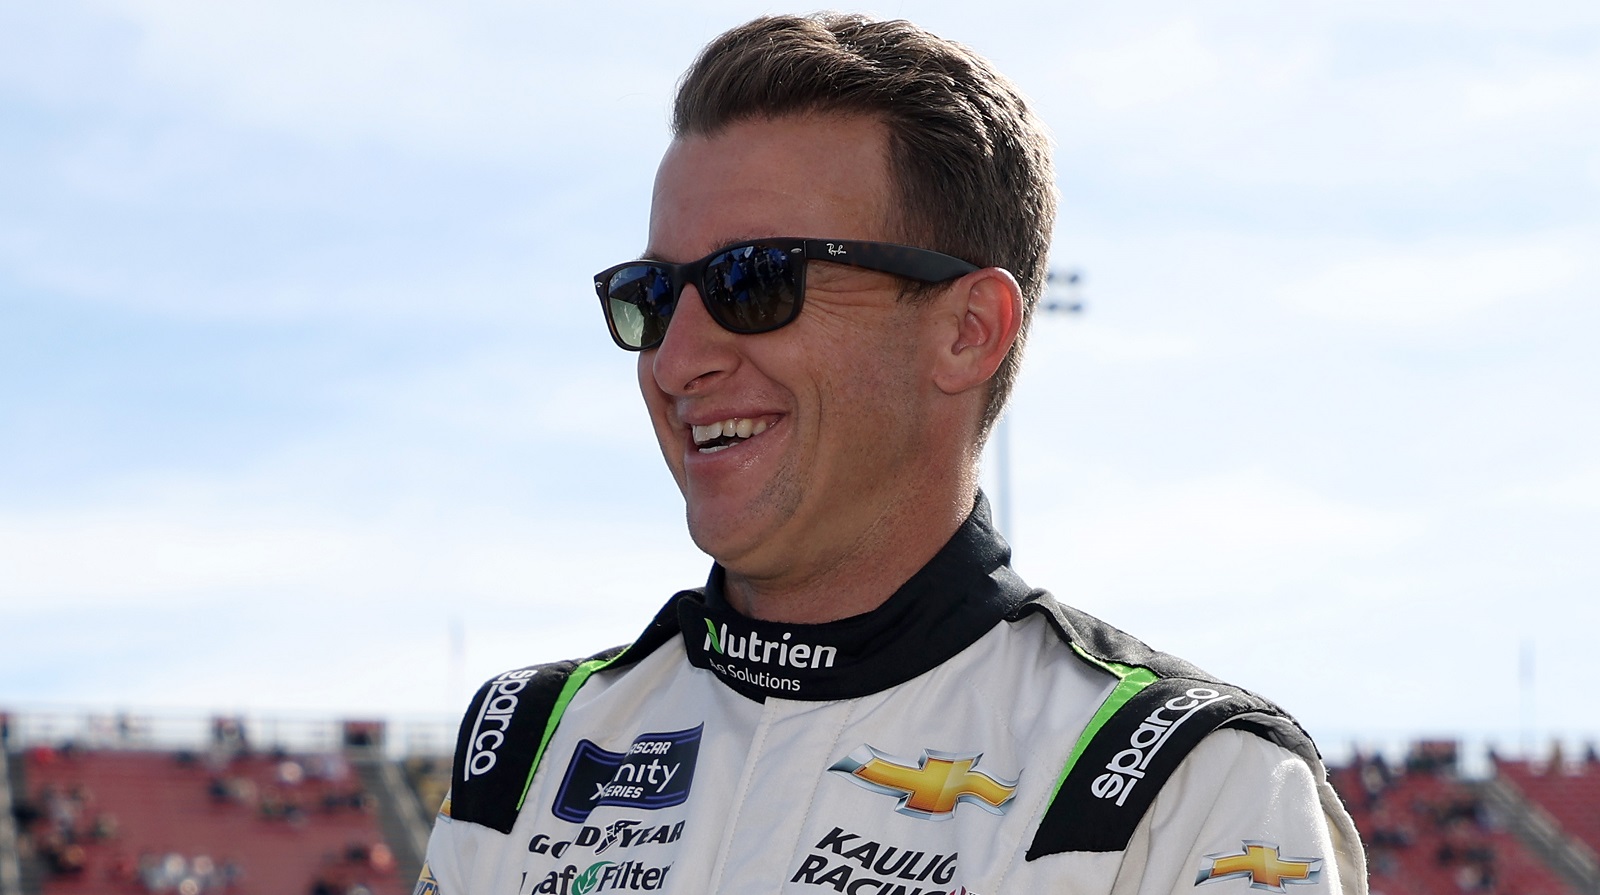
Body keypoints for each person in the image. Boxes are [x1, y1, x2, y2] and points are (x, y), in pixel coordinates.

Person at [416, 13, 1367, 895]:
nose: (677, 359)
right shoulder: (527, 749)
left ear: (966, 331)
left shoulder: (1188, 787)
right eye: (653, 295)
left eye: (757, 282)